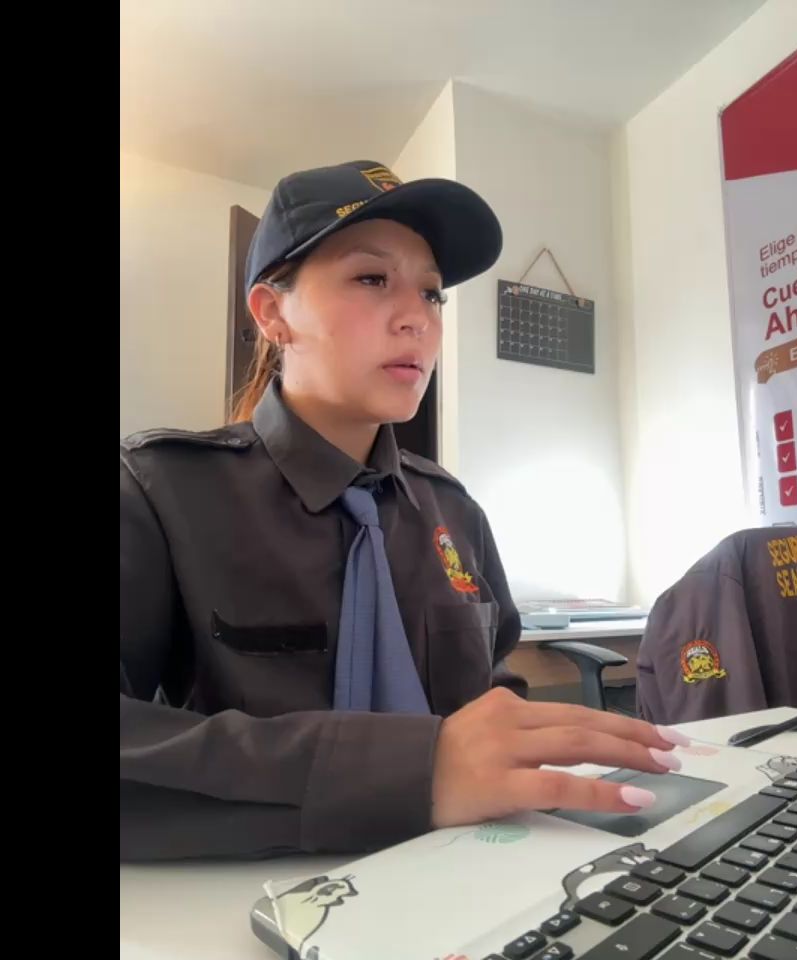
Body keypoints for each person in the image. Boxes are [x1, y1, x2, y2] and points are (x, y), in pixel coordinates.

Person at [120, 159, 688, 861]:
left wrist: (524, 745)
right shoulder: (161, 491)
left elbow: (490, 686)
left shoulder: (454, 510)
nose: (417, 317)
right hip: (260, 893)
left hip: (477, 871)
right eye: (371, 278)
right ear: (272, 314)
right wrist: (412, 770)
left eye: (432, 293)